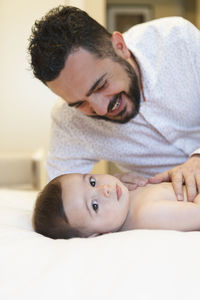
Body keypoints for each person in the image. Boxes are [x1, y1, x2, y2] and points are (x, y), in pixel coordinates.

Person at [28, 6, 200, 202]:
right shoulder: (69, 121)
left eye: (101, 85)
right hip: (171, 207)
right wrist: (101, 189)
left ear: (120, 47)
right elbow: (60, 204)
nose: (101, 109)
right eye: (80, 103)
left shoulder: (178, 40)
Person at [33, 173, 200, 239]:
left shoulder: (129, 197)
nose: (104, 189)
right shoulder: (146, 215)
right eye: (95, 205)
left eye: (92, 181)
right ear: (97, 235)